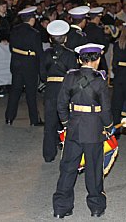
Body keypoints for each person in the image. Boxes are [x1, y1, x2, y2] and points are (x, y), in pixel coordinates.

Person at [53, 43, 112, 219]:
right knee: (94, 170)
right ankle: (96, 207)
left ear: (80, 59)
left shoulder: (69, 77)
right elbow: (106, 109)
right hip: (93, 130)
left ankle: (60, 208)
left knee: (68, 169)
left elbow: (61, 104)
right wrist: (109, 127)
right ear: (98, 60)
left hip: (73, 127)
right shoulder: (99, 80)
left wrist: (65, 122)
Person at [40, 20, 78, 162]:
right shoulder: (70, 55)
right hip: (65, 90)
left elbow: (42, 74)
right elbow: (74, 75)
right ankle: (68, 152)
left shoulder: (45, 54)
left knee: (49, 123)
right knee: (67, 122)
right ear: (66, 38)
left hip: (50, 90)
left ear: (50, 39)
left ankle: (48, 154)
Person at [5, 6, 44, 126]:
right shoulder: (35, 33)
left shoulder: (15, 30)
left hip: (16, 63)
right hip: (30, 65)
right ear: (31, 19)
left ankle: (9, 117)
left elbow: (11, 47)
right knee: (31, 93)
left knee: (15, 92)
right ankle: (34, 119)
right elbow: (39, 52)